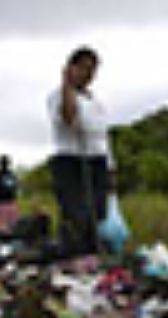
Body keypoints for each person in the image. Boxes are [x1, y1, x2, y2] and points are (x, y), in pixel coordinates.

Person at [47, 46, 114, 257]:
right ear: (72, 68)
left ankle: (92, 258)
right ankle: (70, 257)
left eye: (93, 70)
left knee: (98, 215)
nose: (89, 75)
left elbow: (103, 137)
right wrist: (67, 85)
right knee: (76, 215)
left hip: (97, 161)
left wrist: (111, 169)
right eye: (84, 68)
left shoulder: (96, 102)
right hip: (71, 160)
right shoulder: (57, 96)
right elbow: (69, 120)